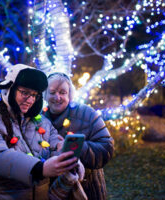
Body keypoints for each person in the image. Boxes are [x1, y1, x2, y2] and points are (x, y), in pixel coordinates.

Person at [0, 64, 82, 200]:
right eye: (25, 93)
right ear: (9, 89)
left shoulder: (42, 122)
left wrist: (69, 161)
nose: (31, 100)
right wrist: (39, 168)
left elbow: (55, 144)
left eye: (34, 95)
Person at [43, 72, 114, 200]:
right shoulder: (38, 119)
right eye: (52, 92)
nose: (57, 97)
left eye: (62, 92)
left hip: (87, 190)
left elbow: (107, 149)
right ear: (45, 95)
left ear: (70, 94)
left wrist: (74, 146)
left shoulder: (87, 113)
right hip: (52, 191)